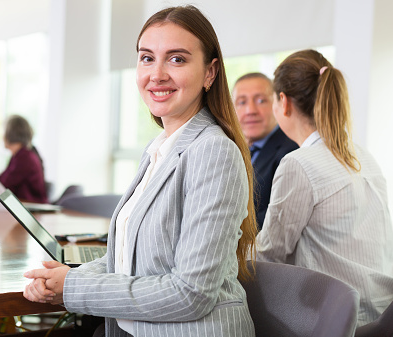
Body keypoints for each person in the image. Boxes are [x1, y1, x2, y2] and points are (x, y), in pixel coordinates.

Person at [22, 5, 257, 337]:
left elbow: (191, 295)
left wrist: (73, 288)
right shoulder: (160, 147)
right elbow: (130, 259)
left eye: (177, 59)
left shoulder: (213, 152)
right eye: (147, 58)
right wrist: (67, 277)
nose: (156, 74)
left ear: (210, 73)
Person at [256, 49, 393, 327]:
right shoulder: (362, 155)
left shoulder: (299, 164)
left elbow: (269, 253)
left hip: (345, 319)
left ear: (283, 103)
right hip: (391, 310)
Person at [232, 73, 298, 229]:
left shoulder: (290, 152)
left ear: (279, 103)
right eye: (241, 102)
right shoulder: (233, 150)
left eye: (261, 101)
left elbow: (277, 218)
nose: (250, 110)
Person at [0, 115, 48, 204]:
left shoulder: (24, 158)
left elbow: (5, 184)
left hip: (32, 207)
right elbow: (3, 179)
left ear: (9, 134)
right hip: (24, 205)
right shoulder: (20, 155)